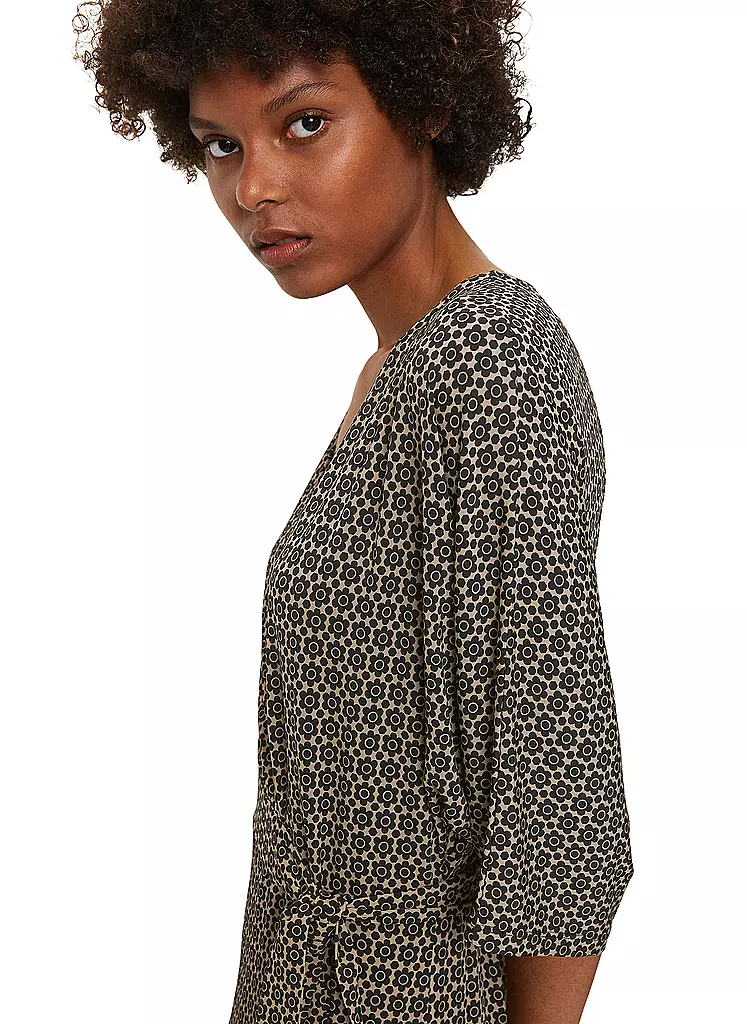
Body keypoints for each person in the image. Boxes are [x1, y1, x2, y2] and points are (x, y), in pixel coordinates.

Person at [73, 2, 634, 1021]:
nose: (253, 188)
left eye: (305, 123)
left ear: (424, 103)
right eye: (220, 146)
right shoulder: (397, 368)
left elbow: (558, 793)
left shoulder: (492, 362)